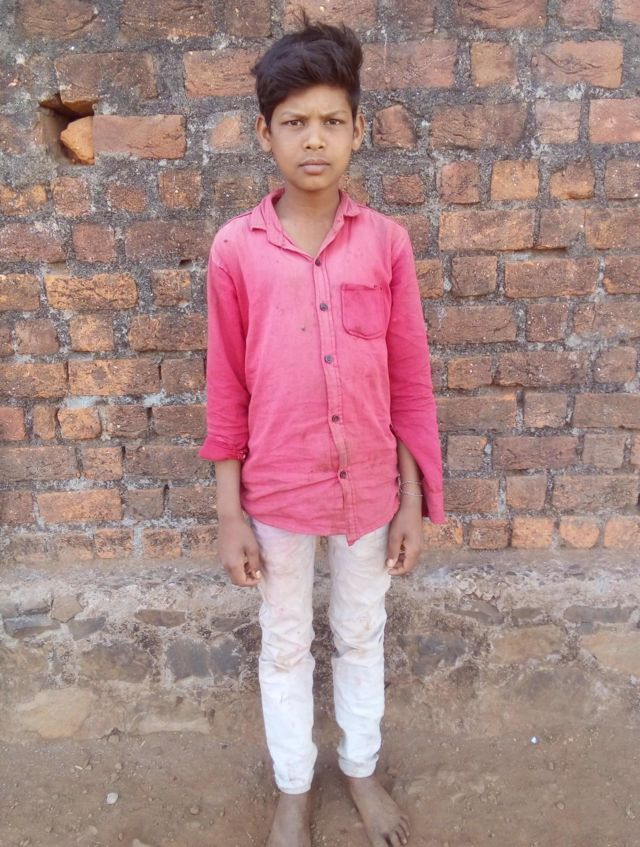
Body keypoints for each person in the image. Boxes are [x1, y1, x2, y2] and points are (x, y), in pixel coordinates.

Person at [198, 15, 445, 847]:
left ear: (357, 130)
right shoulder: (236, 250)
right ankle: (293, 788)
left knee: (362, 631)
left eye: (332, 120)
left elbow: (408, 380)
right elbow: (226, 388)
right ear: (263, 132)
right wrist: (229, 513)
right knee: (284, 643)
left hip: (370, 490)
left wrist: (411, 499)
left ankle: (362, 769)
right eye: (295, 121)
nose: (314, 139)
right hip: (275, 492)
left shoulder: (386, 245)